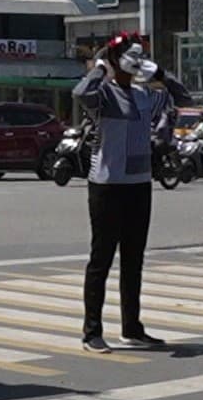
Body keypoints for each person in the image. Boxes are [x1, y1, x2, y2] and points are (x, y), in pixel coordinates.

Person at [75, 35, 191, 353]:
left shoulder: (143, 95)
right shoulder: (103, 95)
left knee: (133, 260)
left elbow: (183, 97)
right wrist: (101, 66)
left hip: (139, 185)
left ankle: (132, 327)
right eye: (127, 53)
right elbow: (80, 92)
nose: (135, 58)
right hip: (107, 184)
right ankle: (92, 332)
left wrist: (160, 74)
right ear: (115, 58)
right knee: (101, 259)